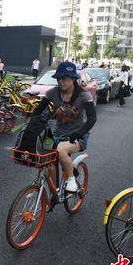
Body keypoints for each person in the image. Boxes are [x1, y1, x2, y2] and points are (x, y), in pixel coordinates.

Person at [31, 62, 97, 193]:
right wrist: (34, 125)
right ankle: (55, 191)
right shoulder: (52, 93)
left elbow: (92, 118)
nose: (60, 81)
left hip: (78, 136)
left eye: (64, 78)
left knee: (61, 150)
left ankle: (71, 179)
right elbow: (37, 112)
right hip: (57, 134)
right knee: (46, 160)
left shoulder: (83, 95)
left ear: (73, 79)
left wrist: (80, 133)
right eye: (58, 78)